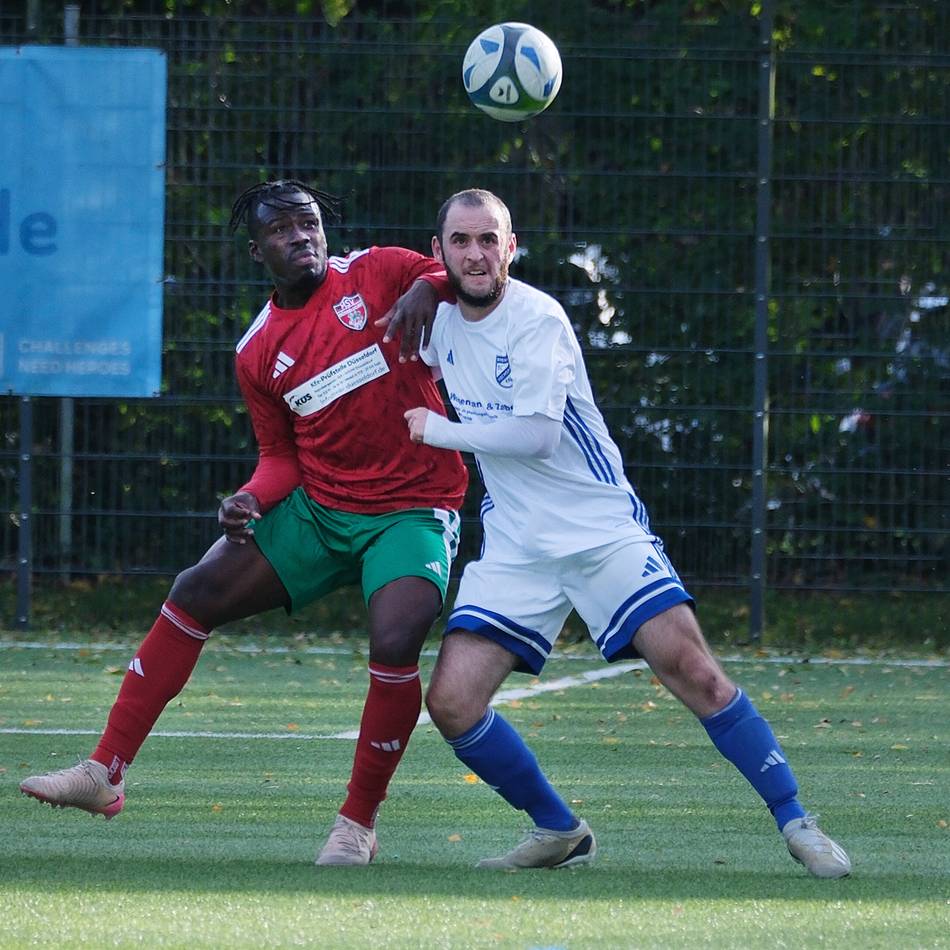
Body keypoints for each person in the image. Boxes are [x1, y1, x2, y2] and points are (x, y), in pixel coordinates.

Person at [401, 188, 852, 877]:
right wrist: (420, 292)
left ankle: (798, 822)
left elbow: (538, 434)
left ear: (511, 248)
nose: (476, 253)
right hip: (518, 544)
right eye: (460, 241)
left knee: (695, 673)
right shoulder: (433, 319)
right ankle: (559, 831)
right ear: (439, 254)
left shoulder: (538, 319)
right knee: (453, 704)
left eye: (489, 239)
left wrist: (439, 432)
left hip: (598, 527)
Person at [19, 179, 469, 867]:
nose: (300, 236)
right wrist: (251, 499)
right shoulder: (257, 350)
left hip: (412, 507)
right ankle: (104, 771)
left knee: (397, 635)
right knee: (195, 589)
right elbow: (279, 457)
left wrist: (431, 285)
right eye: (282, 229)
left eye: (309, 223)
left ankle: (356, 826)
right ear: (256, 248)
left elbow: (467, 267)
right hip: (320, 510)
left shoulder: (378, 271)